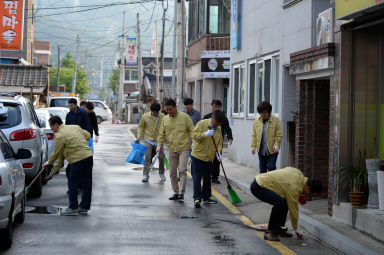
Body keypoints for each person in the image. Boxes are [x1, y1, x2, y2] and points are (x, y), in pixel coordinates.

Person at [250, 167, 322, 241]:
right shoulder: (295, 187)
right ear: (307, 188)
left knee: (284, 202)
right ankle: (270, 232)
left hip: (263, 181)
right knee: (279, 202)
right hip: (259, 186)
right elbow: (293, 209)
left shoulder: (298, 174)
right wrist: (295, 227)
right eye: (310, 193)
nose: (308, 195)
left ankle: (279, 229)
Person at [43, 116, 94, 216]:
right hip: (88, 156)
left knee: (72, 183)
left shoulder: (60, 136)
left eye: (51, 126)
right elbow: (88, 135)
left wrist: (49, 162)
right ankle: (84, 207)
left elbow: (56, 153)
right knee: (86, 183)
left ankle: (73, 208)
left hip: (78, 159)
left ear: (56, 125)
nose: (51, 129)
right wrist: (50, 175)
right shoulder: (75, 127)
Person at [157, 99, 194, 202]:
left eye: (170, 109)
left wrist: (195, 142)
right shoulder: (165, 119)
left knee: (182, 169)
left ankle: (182, 193)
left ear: (175, 107)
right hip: (171, 148)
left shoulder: (185, 117)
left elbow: (192, 130)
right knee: (172, 172)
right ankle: (175, 192)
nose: (169, 111)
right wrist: (159, 145)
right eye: (167, 110)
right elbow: (161, 133)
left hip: (184, 148)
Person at [191, 110, 226, 208]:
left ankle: (207, 196)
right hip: (198, 155)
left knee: (207, 178)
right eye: (217, 122)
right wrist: (204, 134)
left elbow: (219, 142)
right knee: (197, 177)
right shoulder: (202, 123)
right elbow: (193, 135)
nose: (218, 124)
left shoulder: (218, 128)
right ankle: (197, 198)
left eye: (220, 123)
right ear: (213, 118)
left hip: (209, 157)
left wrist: (218, 152)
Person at [203, 100, 233, 184]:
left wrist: (230, 137)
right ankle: (207, 175)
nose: (216, 108)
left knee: (217, 159)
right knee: (207, 159)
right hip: (208, 142)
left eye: (218, 107)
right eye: (215, 106)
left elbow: (228, 128)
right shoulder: (206, 117)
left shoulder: (223, 118)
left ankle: (215, 177)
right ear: (212, 107)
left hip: (218, 142)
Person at [136, 102, 166, 183]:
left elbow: (166, 128)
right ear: (151, 111)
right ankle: (145, 175)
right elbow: (140, 127)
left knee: (161, 157)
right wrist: (138, 137)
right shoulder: (145, 116)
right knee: (148, 157)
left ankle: (161, 173)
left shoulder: (163, 116)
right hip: (148, 140)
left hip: (159, 140)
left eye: (157, 112)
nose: (155, 114)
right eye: (154, 112)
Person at [251, 101, 283, 173]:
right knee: (262, 170)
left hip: (273, 149)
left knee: (271, 167)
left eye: (265, 112)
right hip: (261, 150)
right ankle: (263, 184)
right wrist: (253, 147)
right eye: (261, 112)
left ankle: (272, 183)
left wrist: (276, 145)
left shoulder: (276, 120)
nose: (263, 114)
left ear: (269, 111)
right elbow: (254, 135)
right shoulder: (256, 121)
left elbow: (279, 134)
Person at [65, 98, 92, 181]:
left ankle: (78, 186)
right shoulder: (69, 115)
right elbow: (66, 127)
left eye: (71, 105)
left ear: (76, 105)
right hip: (72, 142)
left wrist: (86, 137)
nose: (70, 107)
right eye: (69, 105)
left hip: (81, 140)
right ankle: (73, 186)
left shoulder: (83, 113)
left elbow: (87, 126)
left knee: (79, 165)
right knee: (70, 167)